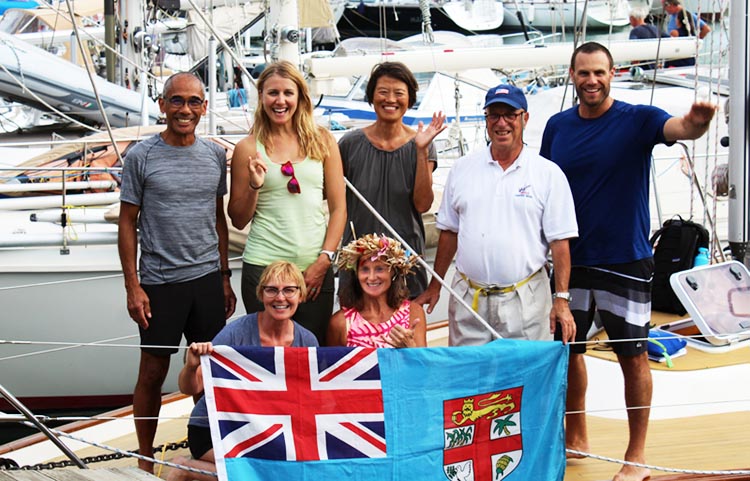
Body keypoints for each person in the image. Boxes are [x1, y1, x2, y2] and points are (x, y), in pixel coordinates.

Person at [539, 42, 716, 481]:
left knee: (632, 355)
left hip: (625, 260)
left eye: (599, 72)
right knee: (568, 350)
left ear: (612, 73)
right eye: (583, 73)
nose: (591, 80)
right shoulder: (557, 127)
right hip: (571, 262)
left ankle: (635, 456)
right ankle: (577, 434)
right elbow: (541, 188)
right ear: (573, 76)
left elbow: (680, 129)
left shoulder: (638, 118)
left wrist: (698, 122)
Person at [118, 72, 236, 473]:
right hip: (159, 282)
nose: (185, 110)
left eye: (194, 102)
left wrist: (223, 277)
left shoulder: (214, 156)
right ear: (163, 104)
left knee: (208, 372)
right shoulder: (141, 156)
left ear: (204, 107)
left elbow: (218, 218)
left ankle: (203, 449)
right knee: (152, 373)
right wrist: (133, 286)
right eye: (177, 101)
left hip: (206, 279)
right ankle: (145, 458)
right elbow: (126, 222)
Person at [415, 84, 578, 347]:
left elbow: (560, 243)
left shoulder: (548, 174)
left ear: (524, 118)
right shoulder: (462, 169)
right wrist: (435, 286)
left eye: (510, 115)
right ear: (486, 120)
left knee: (525, 380)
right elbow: (449, 232)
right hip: (469, 299)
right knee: (468, 377)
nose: (502, 123)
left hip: (526, 300)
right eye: (494, 115)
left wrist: (561, 299)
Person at [228, 60, 346, 346]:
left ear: (300, 97)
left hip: (314, 269)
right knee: (266, 355)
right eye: (272, 93)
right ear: (262, 97)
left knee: (312, 352)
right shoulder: (247, 148)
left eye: (287, 93)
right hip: (263, 267)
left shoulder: (323, 141)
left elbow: (339, 208)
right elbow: (238, 218)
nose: (280, 101)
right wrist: (255, 185)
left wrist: (324, 259)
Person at [166, 261, 318, 481]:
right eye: (272, 290)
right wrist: (191, 366)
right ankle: (185, 469)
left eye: (289, 290)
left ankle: (192, 468)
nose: (280, 297)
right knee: (259, 475)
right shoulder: (236, 333)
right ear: (261, 294)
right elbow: (191, 387)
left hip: (267, 431)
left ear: (300, 295)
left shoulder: (307, 340)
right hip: (216, 429)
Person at [337, 61, 447, 300]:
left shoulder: (422, 143)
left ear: (409, 99)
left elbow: (423, 204)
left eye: (399, 93)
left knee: (405, 335)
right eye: (383, 92)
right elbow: (333, 199)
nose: (391, 99)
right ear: (371, 96)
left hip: (406, 261)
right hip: (358, 261)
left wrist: (420, 151)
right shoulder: (349, 144)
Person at [328, 234, 427, 348]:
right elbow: (335, 365)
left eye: (379, 269)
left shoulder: (413, 312)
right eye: (365, 269)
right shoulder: (339, 323)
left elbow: (422, 364)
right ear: (356, 275)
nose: (371, 277)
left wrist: (409, 347)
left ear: (393, 272)